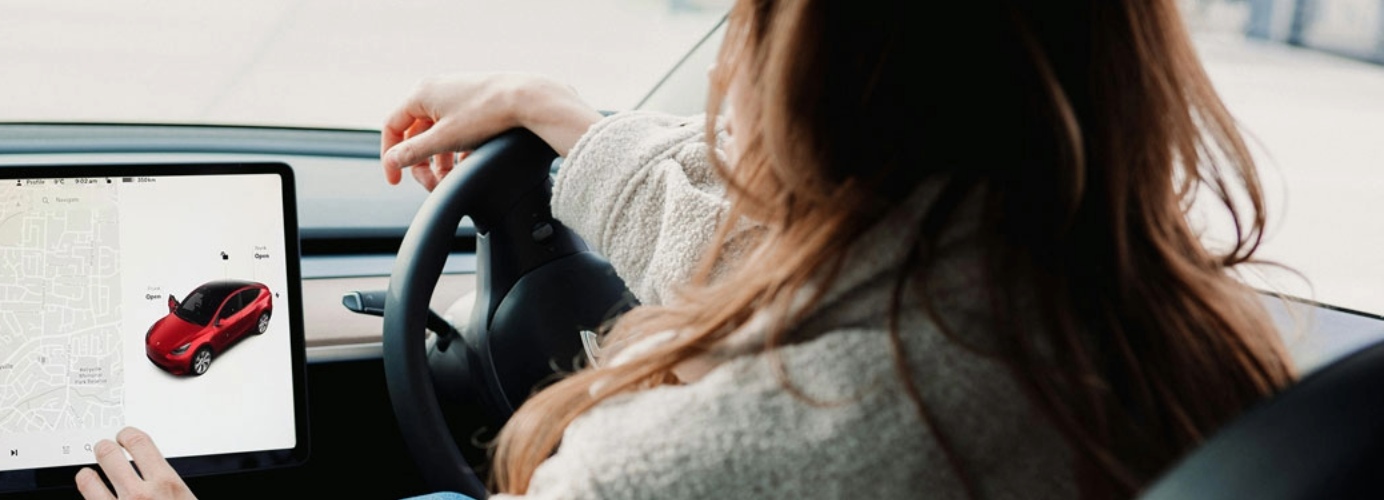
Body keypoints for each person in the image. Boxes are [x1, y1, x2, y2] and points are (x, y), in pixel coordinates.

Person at [76, 0, 1295, 498]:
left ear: (815, 79)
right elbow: (799, 268)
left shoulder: (681, 469)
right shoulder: (1151, 324)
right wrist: (564, 120)